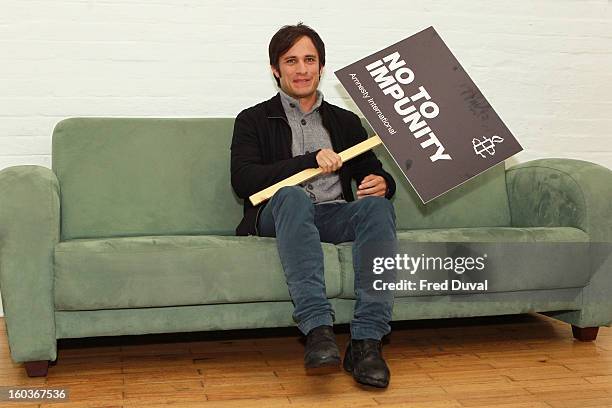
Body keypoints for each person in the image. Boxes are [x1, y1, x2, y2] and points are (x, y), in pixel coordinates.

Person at [230, 23, 398, 388]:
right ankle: (318, 329)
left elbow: (373, 170)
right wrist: (307, 161)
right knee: (291, 196)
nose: (302, 69)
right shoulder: (252, 120)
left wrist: (383, 183)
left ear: (321, 67)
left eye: (310, 60)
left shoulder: (346, 121)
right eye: (291, 61)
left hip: (334, 214)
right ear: (276, 69)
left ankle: (367, 341)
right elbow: (243, 180)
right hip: (280, 213)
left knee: (378, 208)